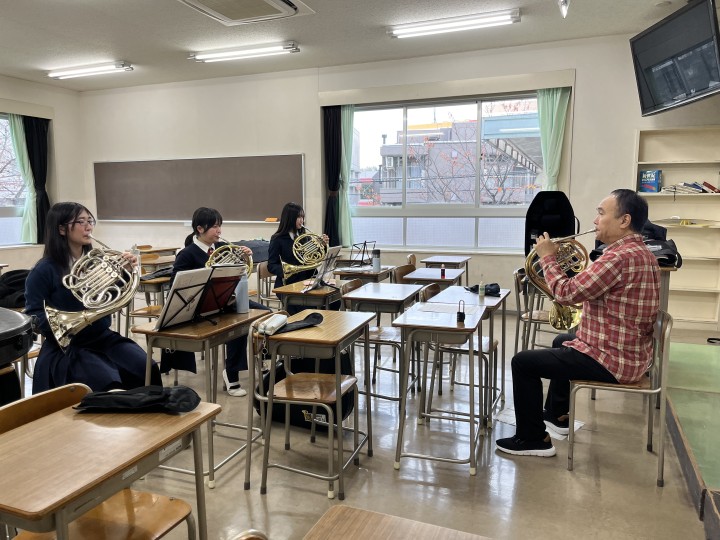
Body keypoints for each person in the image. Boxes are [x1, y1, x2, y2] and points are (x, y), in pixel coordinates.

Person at [496, 189, 660, 457]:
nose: (595, 220)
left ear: (624, 220)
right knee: (563, 340)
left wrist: (547, 257)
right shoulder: (642, 252)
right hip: (631, 353)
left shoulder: (618, 257)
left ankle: (532, 439)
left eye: (601, 213)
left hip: (614, 359)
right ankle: (557, 415)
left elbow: (565, 293)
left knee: (522, 363)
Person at [25, 202, 162, 393]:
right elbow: (33, 314)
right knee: (108, 383)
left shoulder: (99, 261)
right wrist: (64, 325)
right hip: (68, 347)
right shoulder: (43, 271)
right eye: (81, 222)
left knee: (146, 368)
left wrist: (125, 273)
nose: (88, 227)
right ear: (62, 229)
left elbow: (112, 295)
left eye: (90, 221)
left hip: (102, 337)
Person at [163, 207, 270, 397]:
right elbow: (175, 286)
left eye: (220, 226)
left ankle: (264, 360)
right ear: (200, 229)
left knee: (268, 314)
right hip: (204, 309)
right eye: (214, 227)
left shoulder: (222, 248)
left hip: (226, 300)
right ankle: (232, 374)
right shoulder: (187, 254)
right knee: (239, 323)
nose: (219, 231)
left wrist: (245, 257)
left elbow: (238, 273)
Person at [267, 202, 334, 315]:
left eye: (302, 217)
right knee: (309, 310)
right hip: (288, 283)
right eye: (298, 217)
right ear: (289, 218)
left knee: (333, 301)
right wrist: (288, 271)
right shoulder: (277, 239)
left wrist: (322, 245)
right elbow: (271, 265)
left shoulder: (304, 237)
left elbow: (313, 257)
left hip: (307, 280)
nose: (302, 220)